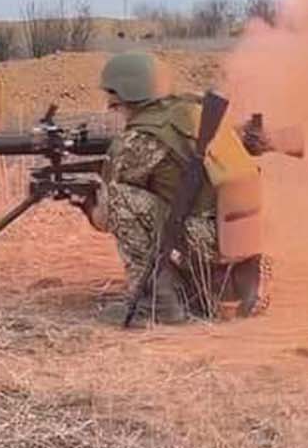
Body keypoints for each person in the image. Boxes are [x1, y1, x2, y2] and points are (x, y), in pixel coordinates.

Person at [81, 52, 270, 325]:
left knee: (119, 200)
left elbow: (106, 217)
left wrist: (87, 204)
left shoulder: (139, 139)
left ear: (120, 94)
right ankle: (196, 289)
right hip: (242, 240)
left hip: (207, 242)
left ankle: (155, 303)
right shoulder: (197, 112)